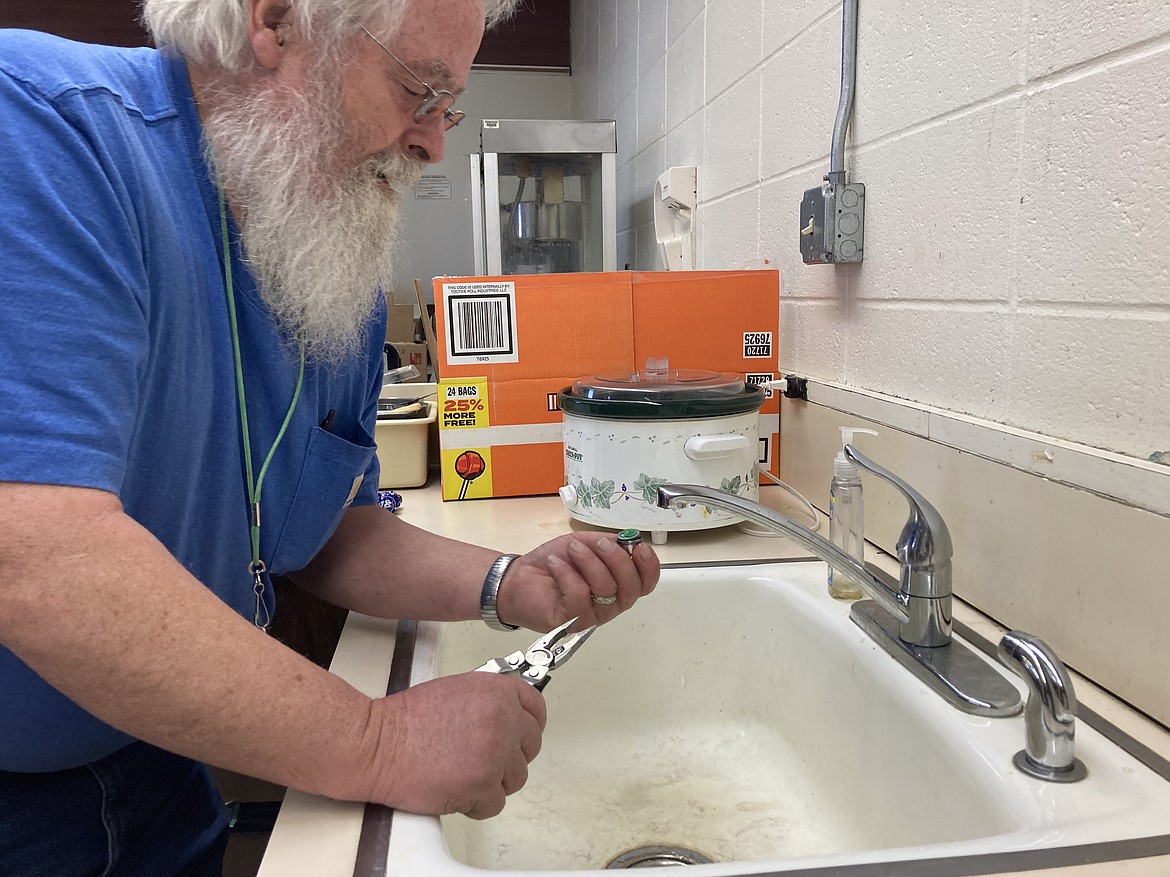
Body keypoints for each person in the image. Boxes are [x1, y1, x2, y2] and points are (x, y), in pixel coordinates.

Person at [0, 1, 661, 873]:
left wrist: (508, 582)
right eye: (417, 91)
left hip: (158, 750)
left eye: (447, 106)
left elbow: (322, 532)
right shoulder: (43, 131)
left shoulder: (316, 254)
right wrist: (380, 741)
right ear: (274, 21)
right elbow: (36, 554)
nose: (434, 145)